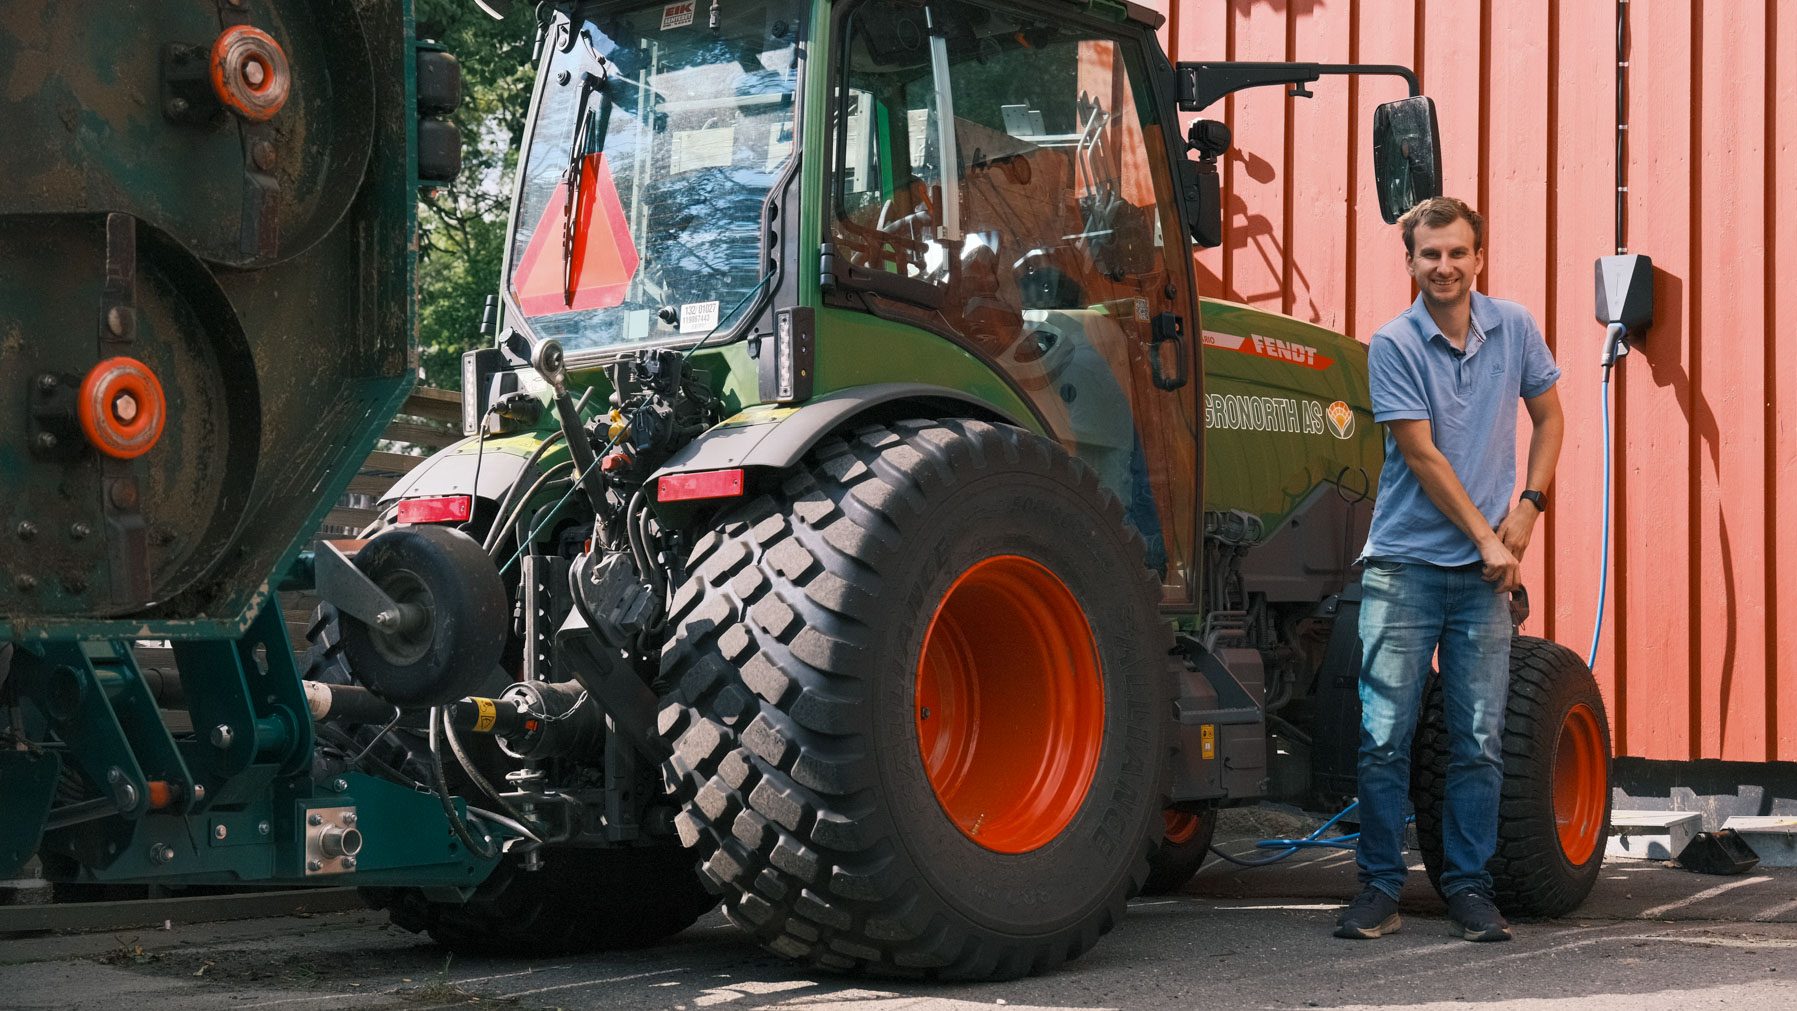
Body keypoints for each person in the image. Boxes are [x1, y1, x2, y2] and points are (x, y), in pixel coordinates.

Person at [1334, 197, 1565, 943]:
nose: (1444, 266)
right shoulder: (1393, 343)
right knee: (1383, 738)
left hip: (1481, 578)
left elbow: (1550, 416)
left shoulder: (1515, 327)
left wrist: (1528, 507)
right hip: (1403, 567)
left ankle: (1468, 887)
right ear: (1410, 262)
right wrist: (1488, 540)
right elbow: (1423, 455)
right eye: (1429, 254)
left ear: (1478, 258)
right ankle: (1379, 888)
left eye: (1457, 252)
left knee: (1478, 740)